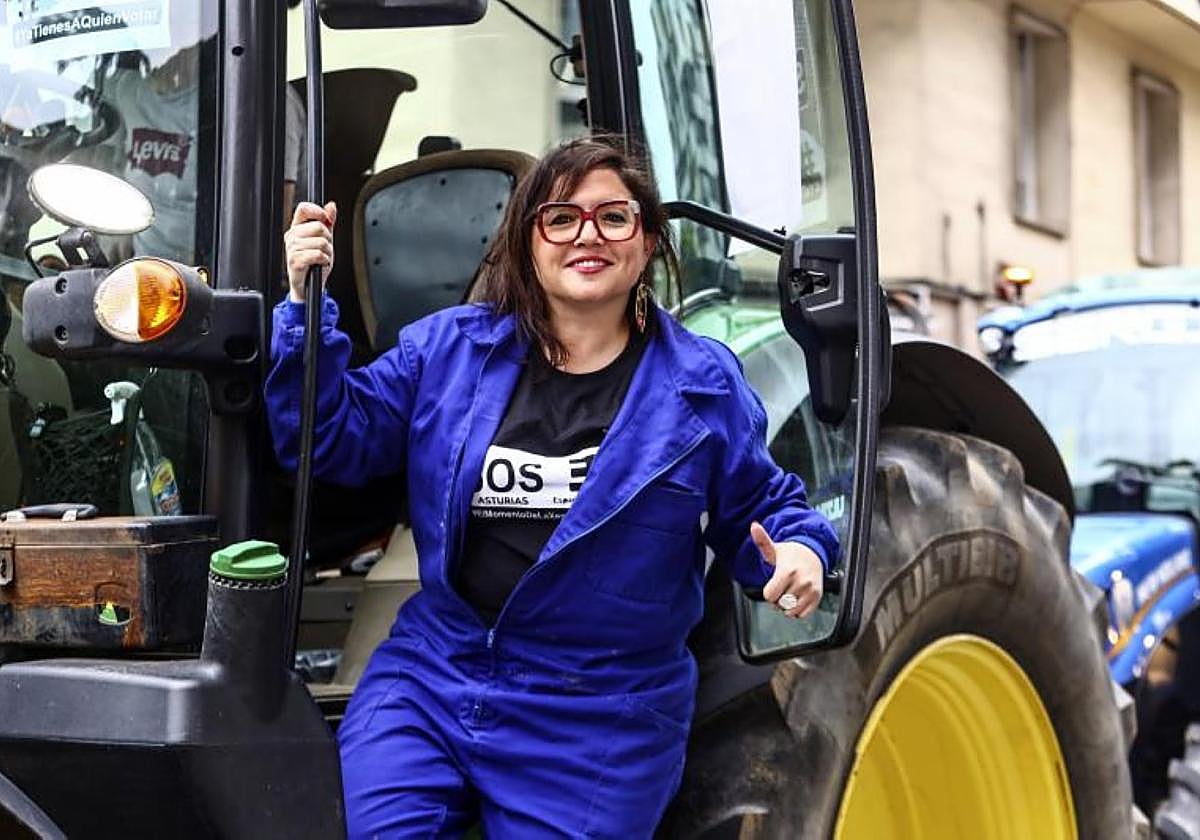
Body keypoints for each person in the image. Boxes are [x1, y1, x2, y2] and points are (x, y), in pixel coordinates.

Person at [266, 137, 838, 837]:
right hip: (436, 676)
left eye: (613, 218)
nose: (587, 236)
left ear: (648, 239)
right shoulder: (448, 350)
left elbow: (760, 508)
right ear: (527, 243)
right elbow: (326, 439)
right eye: (560, 218)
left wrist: (801, 552)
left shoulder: (702, 384)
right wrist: (304, 305)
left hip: (599, 714)